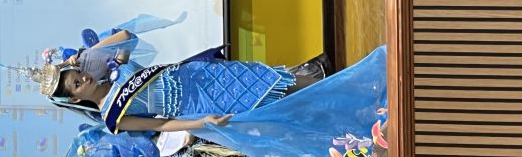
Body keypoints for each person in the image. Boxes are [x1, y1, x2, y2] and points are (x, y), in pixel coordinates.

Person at [47, 39, 388, 157]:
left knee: (279, 80)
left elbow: (126, 37)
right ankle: (359, 129)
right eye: (77, 85)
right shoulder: (112, 118)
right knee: (280, 110)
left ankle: (359, 95)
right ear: (76, 100)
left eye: (78, 74)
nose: (83, 79)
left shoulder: (114, 69)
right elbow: (161, 124)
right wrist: (202, 122)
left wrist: (85, 55)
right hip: (201, 105)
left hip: (202, 76)